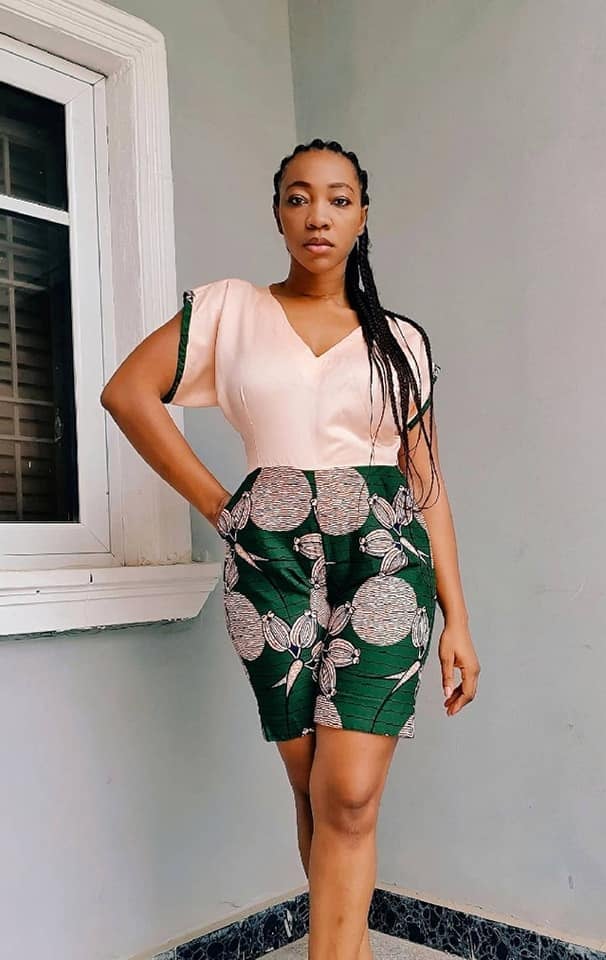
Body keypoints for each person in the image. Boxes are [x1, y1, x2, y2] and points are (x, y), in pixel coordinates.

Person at [100, 138, 480, 960]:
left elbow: (428, 484)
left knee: (350, 793)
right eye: (299, 197)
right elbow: (127, 393)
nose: (318, 215)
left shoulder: (401, 342)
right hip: (269, 568)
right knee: (314, 789)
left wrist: (458, 616)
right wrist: (223, 507)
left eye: (339, 199)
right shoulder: (229, 309)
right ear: (277, 214)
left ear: (363, 216)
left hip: (385, 561)